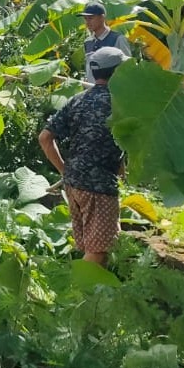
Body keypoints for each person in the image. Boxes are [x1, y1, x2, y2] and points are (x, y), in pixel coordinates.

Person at [38, 46, 128, 266]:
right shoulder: (121, 103)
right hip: (97, 185)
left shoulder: (78, 100)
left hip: (74, 182)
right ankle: (76, 296)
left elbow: (45, 137)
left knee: (93, 245)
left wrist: (63, 169)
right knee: (98, 252)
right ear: (117, 73)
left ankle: (89, 294)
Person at [80, 2, 130, 84]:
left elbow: (128, 68)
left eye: (91, 18)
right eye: (86, 19)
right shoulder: (87, 42)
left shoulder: (118, 39)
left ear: (102, 18)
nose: (87, 22)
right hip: (92, 92)